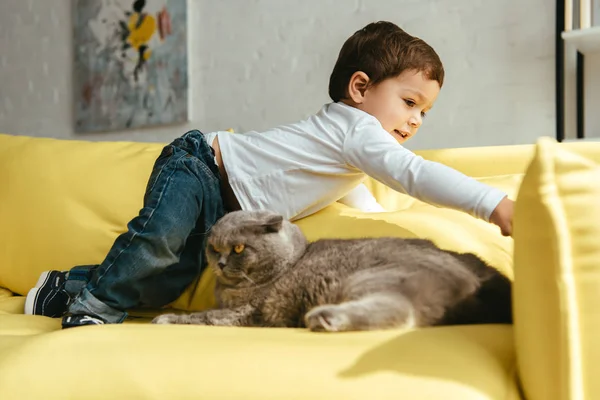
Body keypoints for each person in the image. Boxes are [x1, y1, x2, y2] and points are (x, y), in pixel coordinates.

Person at [25, 21, 514, 328]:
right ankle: (93, 309)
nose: (414, 121)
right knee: (158, 243)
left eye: (424, 113)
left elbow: (361, 202)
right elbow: (414, 174)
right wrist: (493, 205)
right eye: (409, 103)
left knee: (170, 275)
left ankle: (63, 287)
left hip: (228, 212)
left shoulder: (354, 151)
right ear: (361, 88)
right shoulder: (360, 131)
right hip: (200, 167)